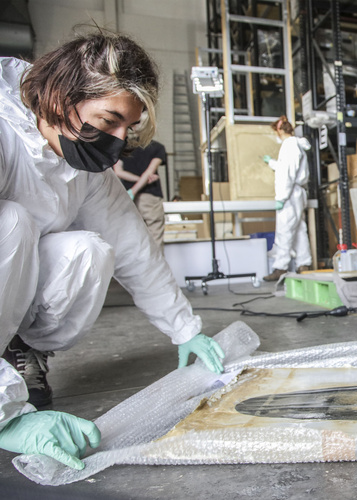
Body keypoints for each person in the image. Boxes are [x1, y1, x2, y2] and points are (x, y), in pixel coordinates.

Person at [0, 31, 225, 470]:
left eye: (128, 127)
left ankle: (21, 349)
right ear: (59, 96)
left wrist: (184, 328)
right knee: (12, 222)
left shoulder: (79, 161)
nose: (119, 141)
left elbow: (132, 245)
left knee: (90, 250)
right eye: (109, 121)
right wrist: (6, 418)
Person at [262, 115, 312, 281]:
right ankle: (304, 264)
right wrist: (272, 163)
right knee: (298, 230)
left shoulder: (289, 146)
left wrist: (282, 197)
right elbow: (287, 168)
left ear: (280, 130)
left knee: (284, 231)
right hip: (296, 192)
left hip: (290, 194)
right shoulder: (295, 145)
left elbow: (287, 174)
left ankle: (280, 267)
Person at [113, 137, 167, 250]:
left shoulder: (122, 147)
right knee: (155, 238)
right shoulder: (157, 147)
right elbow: (149, 172)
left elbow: (118, 172)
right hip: (149, 197)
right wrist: (142, 182)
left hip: (127, 199)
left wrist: (132, 191)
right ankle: (154, 267)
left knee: (133, 238)